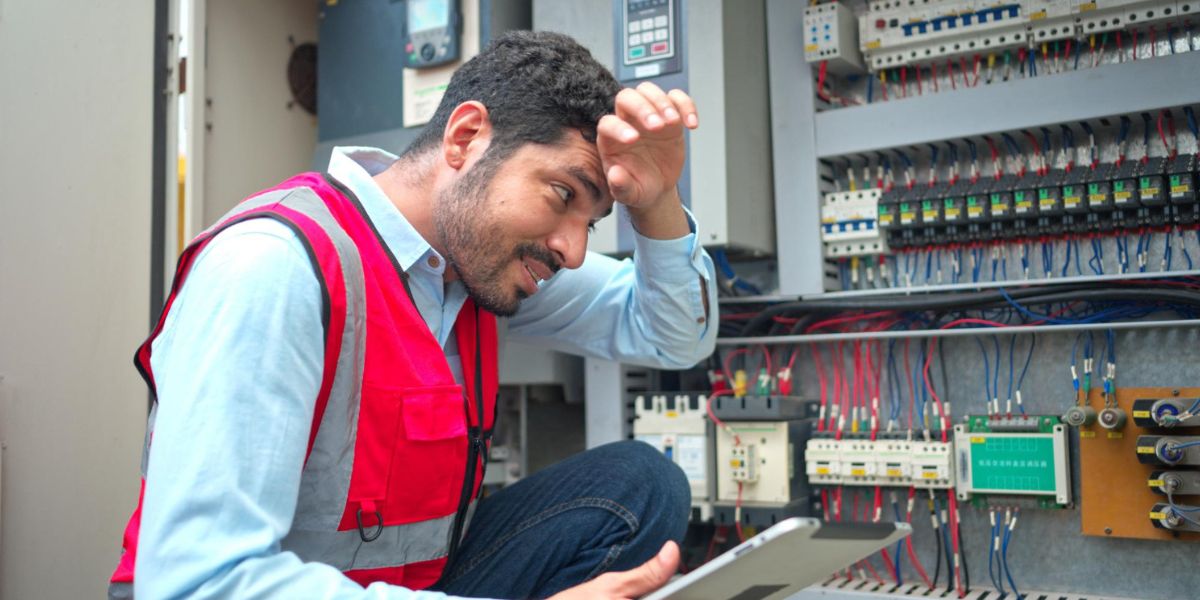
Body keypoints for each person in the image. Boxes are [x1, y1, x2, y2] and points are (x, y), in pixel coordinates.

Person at [109, 30, 717, 599]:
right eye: (563, 196)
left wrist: (657, 200)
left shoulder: (474, 267)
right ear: (465, 137)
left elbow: (671, 336)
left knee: (642, 484)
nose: (574, 249)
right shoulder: (275, 269)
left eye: (590, 222)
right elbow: (197, 582)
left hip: (412, 586)